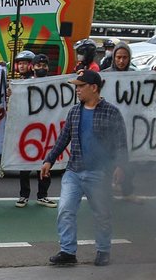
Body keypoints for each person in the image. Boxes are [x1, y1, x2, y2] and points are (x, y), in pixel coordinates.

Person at [40, 70, 127, 266]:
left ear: (93, 87)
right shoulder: (75, 111)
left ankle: (103, 250)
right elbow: (64, 138)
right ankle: (67, 251)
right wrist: (49, 160)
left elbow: (121, 142)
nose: (77, 90)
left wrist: (121, 166)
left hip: (99, 172)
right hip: (74, 171)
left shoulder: (111, 112)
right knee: (65, 209)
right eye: (76, 86)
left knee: (101, 213)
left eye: (80, 86)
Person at [16, 53, 56, 208]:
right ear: (33, 67)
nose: (42, 68)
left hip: (45, 132)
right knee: (24, 165)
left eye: (44, 65)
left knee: (45, 163)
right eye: (38, 65)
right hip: (28, 131)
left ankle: (42, 195)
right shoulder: (24, 84)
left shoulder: (53, 84)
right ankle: (23, 195)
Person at [108, 41, 141, 203]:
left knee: (128, 162)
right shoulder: (104, 76)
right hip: (107, 128)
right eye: (118, 57)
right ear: (113, 57)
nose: (121, 61)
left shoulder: (135, 77)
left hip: (129, 127)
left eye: (125, 58)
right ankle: (106, 192)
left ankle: (127, 191)